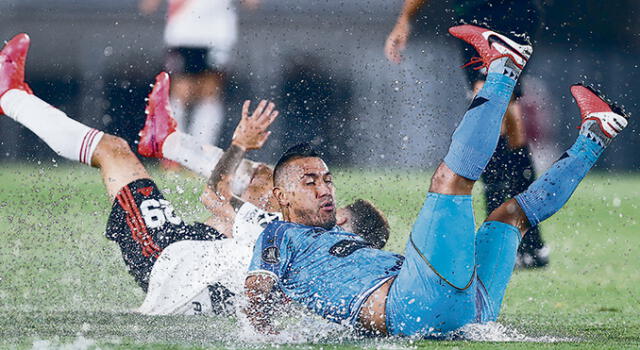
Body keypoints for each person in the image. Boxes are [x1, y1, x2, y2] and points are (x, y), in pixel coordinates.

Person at [244, 24, 629, 336]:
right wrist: (270, 337)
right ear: (280, 196)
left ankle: (595, 135)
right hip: (415, 305)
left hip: (469, 309)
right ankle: (503, 68)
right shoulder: (276, 236)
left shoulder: (336, 237)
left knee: (510, 216)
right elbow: (256, 295)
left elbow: (366, 235)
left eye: (327, 179)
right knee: (449, 179)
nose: (324, 188)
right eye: (309, 181)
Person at [0, 34, 389, 316]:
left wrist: (239, 145)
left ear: (341, 227)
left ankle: (10, 96)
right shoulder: (329, 276)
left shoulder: (293, 243)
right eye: (320, 184)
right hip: (205, 259)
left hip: (166, 258)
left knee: (114, 151)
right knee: (263, 183)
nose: (326, 194)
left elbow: (213, 198)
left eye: (330, 197)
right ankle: (166, 142)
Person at [384, 0, 549, 268]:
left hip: (515, 12)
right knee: (508, 118)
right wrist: (404, 21)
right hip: (475, 17)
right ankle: (526, 242)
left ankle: (508, 237)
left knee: (492, 98)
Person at [138, 0, 257, 147]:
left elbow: (252, 4)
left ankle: (202, 149)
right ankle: (175, 149)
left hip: (217, 32)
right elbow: (147, 6)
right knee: (182, 91)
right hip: (184, 30)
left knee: (210, 92)